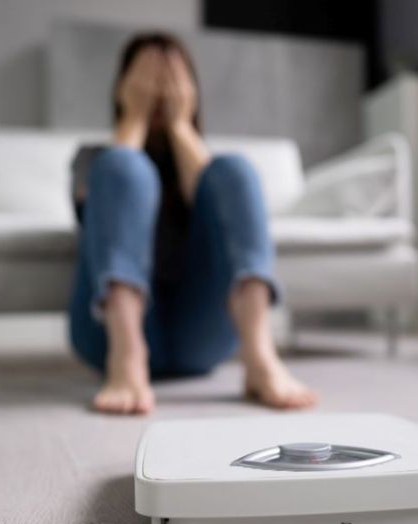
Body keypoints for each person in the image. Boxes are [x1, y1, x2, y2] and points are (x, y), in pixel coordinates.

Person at [69, 32, 318, 415]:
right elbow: (95, 214)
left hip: (199, 335)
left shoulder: (209, 171)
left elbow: (217, 203)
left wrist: (180, 124)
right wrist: (134, 116)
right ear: (123, 88)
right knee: (121, 165)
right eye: (146, 79)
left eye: (170, 80)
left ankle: (261, 357)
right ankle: (128, 357)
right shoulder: (94, 160)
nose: (158, 89)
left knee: (235, 169)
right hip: (105, 336)